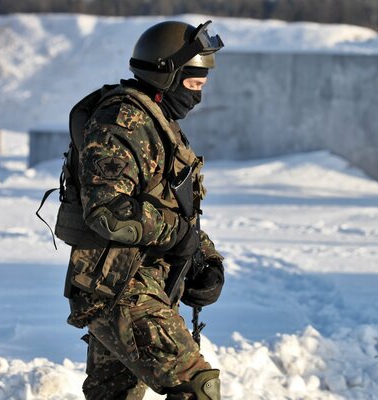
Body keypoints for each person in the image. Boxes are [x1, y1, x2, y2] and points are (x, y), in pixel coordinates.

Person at [59, 20, 225, 400]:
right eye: (193, 84)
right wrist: (179, 236)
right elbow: (107, 209)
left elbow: (169, 205)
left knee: (114, 395)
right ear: (166, 75)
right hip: (120, 289)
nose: (198, 97)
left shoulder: (156, 122)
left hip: (138, 285)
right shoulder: (122, 122)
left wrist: (205, 258)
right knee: (197, 386)